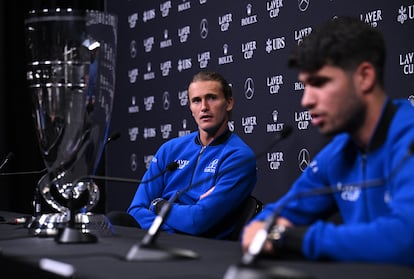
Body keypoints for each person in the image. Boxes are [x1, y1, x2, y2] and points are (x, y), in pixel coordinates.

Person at [241, 16, 414, 265]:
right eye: (304, 85)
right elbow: (273, 216)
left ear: (365, 77)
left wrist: (289, 238)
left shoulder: (408, 137)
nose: (306, 100)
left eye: (319, 83)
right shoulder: (339, 152)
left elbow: (406, 240)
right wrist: (265, 227)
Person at [125, 71, 257, 239]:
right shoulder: (169, 150)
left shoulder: (238, 157)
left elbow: (198, 221)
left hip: (204, 252)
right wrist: (172, 231)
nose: (204, 107)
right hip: (160, 240)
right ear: (190, 108)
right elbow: (135, 209)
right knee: (117, 219)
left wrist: (158, 205)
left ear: (229, 103)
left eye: (212, 98)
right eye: (196, 100)